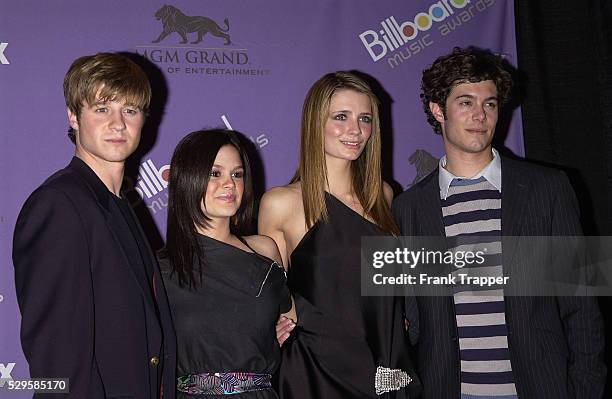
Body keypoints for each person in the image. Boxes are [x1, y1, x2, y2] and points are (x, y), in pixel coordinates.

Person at [392, 47, 606, 398]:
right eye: (465, 102)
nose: (480, 115)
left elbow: (583, 305)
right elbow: (410, 322)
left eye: (489, 104)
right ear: (437, 110)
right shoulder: (408, 209)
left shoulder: (549, 188)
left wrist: (585, 389)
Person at [12, 53, 176, 398]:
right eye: (102, 109)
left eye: (129, 111)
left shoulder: (120, 205)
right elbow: (56, 359)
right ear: (73, 116)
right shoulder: (60, 205)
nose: (118, 124)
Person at [259, 72, 420, 398]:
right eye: (341, 117)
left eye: (365, 119)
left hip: (388, 368)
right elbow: (271, 298)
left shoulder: (383, 197)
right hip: (317, 373)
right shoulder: (282, 203)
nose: (355, 131)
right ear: (315, 123)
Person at [158, 129, 291, 398]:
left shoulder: (264, 249)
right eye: (214, 173)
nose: (229, 184)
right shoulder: (160, 268)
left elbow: (290, 320)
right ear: (187, 178)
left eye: (237, 174)